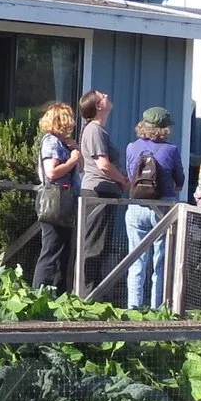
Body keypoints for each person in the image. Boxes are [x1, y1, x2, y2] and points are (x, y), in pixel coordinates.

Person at [122, 106, 185, 310]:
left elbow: (131, 177)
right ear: (165, 128)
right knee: (161, 261)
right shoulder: (172, 150)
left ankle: (133, 308)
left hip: (136, 206)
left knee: (136, 259)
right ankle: (157, 307)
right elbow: (180, 182)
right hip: (163, 208)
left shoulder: (131, 147)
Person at [74, 90, 126, 296]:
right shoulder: (94, 130)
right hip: (97, 194)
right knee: (93, 246)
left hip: (104, 194)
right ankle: (86, 297)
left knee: (99, 245)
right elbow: (103, 165)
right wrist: (123, 180)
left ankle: (91, 294)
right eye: (101, 95)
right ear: (97, 106)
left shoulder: (99, 131)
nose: (106, 95)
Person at [31, 102, 80, 289]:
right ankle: (39, 292)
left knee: (63, 248)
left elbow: (80, 168)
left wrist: (75, 149)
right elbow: (52, 173)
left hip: (65, 201)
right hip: (55, 200)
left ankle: (57, 292)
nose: (73, 122)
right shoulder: (51, 141)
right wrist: (72, 160)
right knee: (51, 248)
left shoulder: (62, 143)